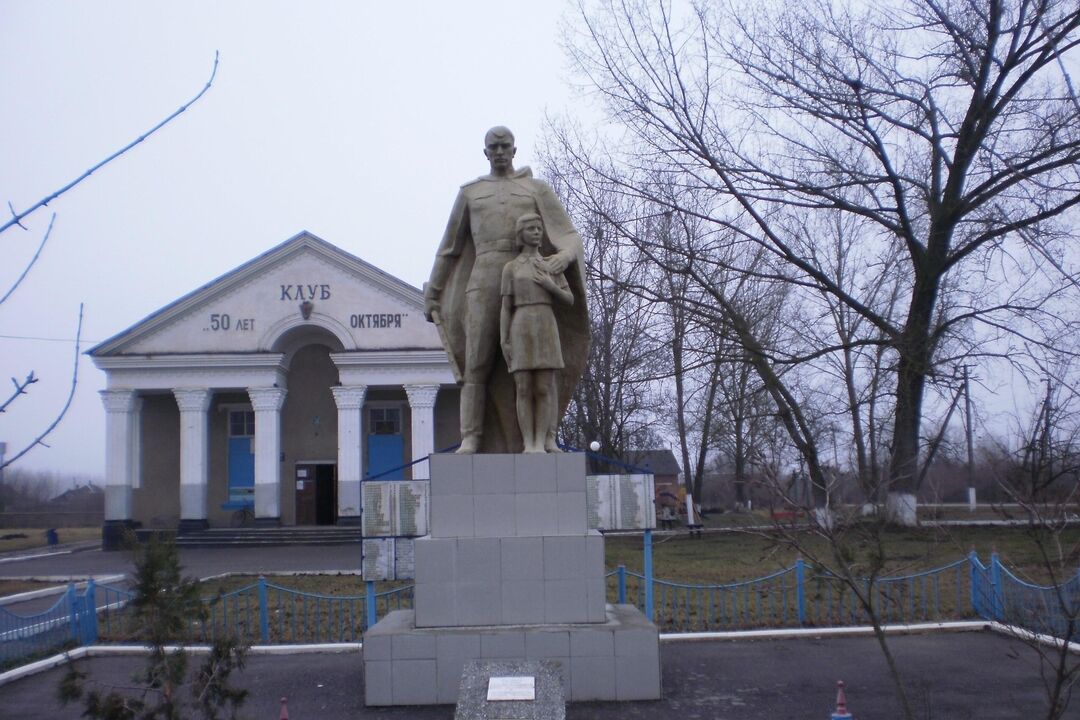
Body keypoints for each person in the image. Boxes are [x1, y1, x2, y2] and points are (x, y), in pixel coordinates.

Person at [424, 127, 589, 454]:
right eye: (493, 147)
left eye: (505, 146)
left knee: (541, 366)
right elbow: (449, 249)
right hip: (483, 280)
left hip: (528, 281)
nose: (499, 151)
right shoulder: (470, 193)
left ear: (514, 150)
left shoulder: (535, 190)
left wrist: (561, 258)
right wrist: (434, 291)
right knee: (476, 363)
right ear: (485, 152)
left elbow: (571, 236)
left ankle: (547, 438)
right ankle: (472, 437)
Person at [500, 214, 574, 453]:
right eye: (531, 228)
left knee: (543, 387)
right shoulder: (511, 268)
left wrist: (551, 287)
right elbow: (505, 307)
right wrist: (504, 338)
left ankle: (541, 441)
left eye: (539, 228)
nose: (536, 232)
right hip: (521, 324)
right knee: (523, 387)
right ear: (521, 234)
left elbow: (569, 299)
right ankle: (528, 442)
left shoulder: (551, 264)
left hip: (545, 323)